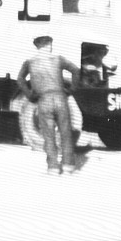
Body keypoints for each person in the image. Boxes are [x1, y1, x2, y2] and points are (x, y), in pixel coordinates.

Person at [16, 35, 81, 174]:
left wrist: (30, 95)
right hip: (60, 98)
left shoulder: (29, 62)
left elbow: (20, 79)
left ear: (37, 47)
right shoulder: (58, 59)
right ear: (49, 46)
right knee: (65, 132)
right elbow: (76, 70)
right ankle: (68, 165)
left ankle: (53, 166)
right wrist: (71, 90)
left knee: (48, 134)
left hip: (43, 99)